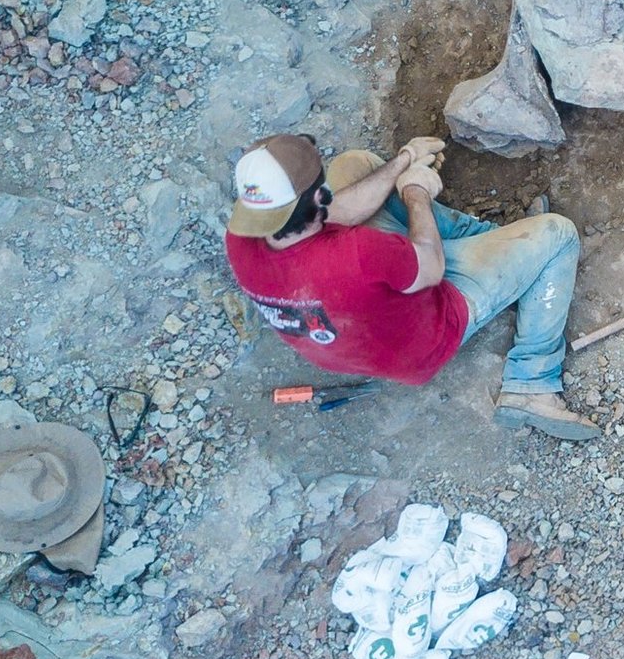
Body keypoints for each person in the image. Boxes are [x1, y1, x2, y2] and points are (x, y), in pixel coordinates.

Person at [223, 131, 599, 441]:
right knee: (557, 233)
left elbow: (337, 213)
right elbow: (431, 267)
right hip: (426, 336)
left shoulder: (242, 241)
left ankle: (498, 245)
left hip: (351, 335)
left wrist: (404, 159)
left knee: (355, 165)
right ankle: (531, 383)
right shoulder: (357, 254)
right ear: (319, 198)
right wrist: (416, 191)